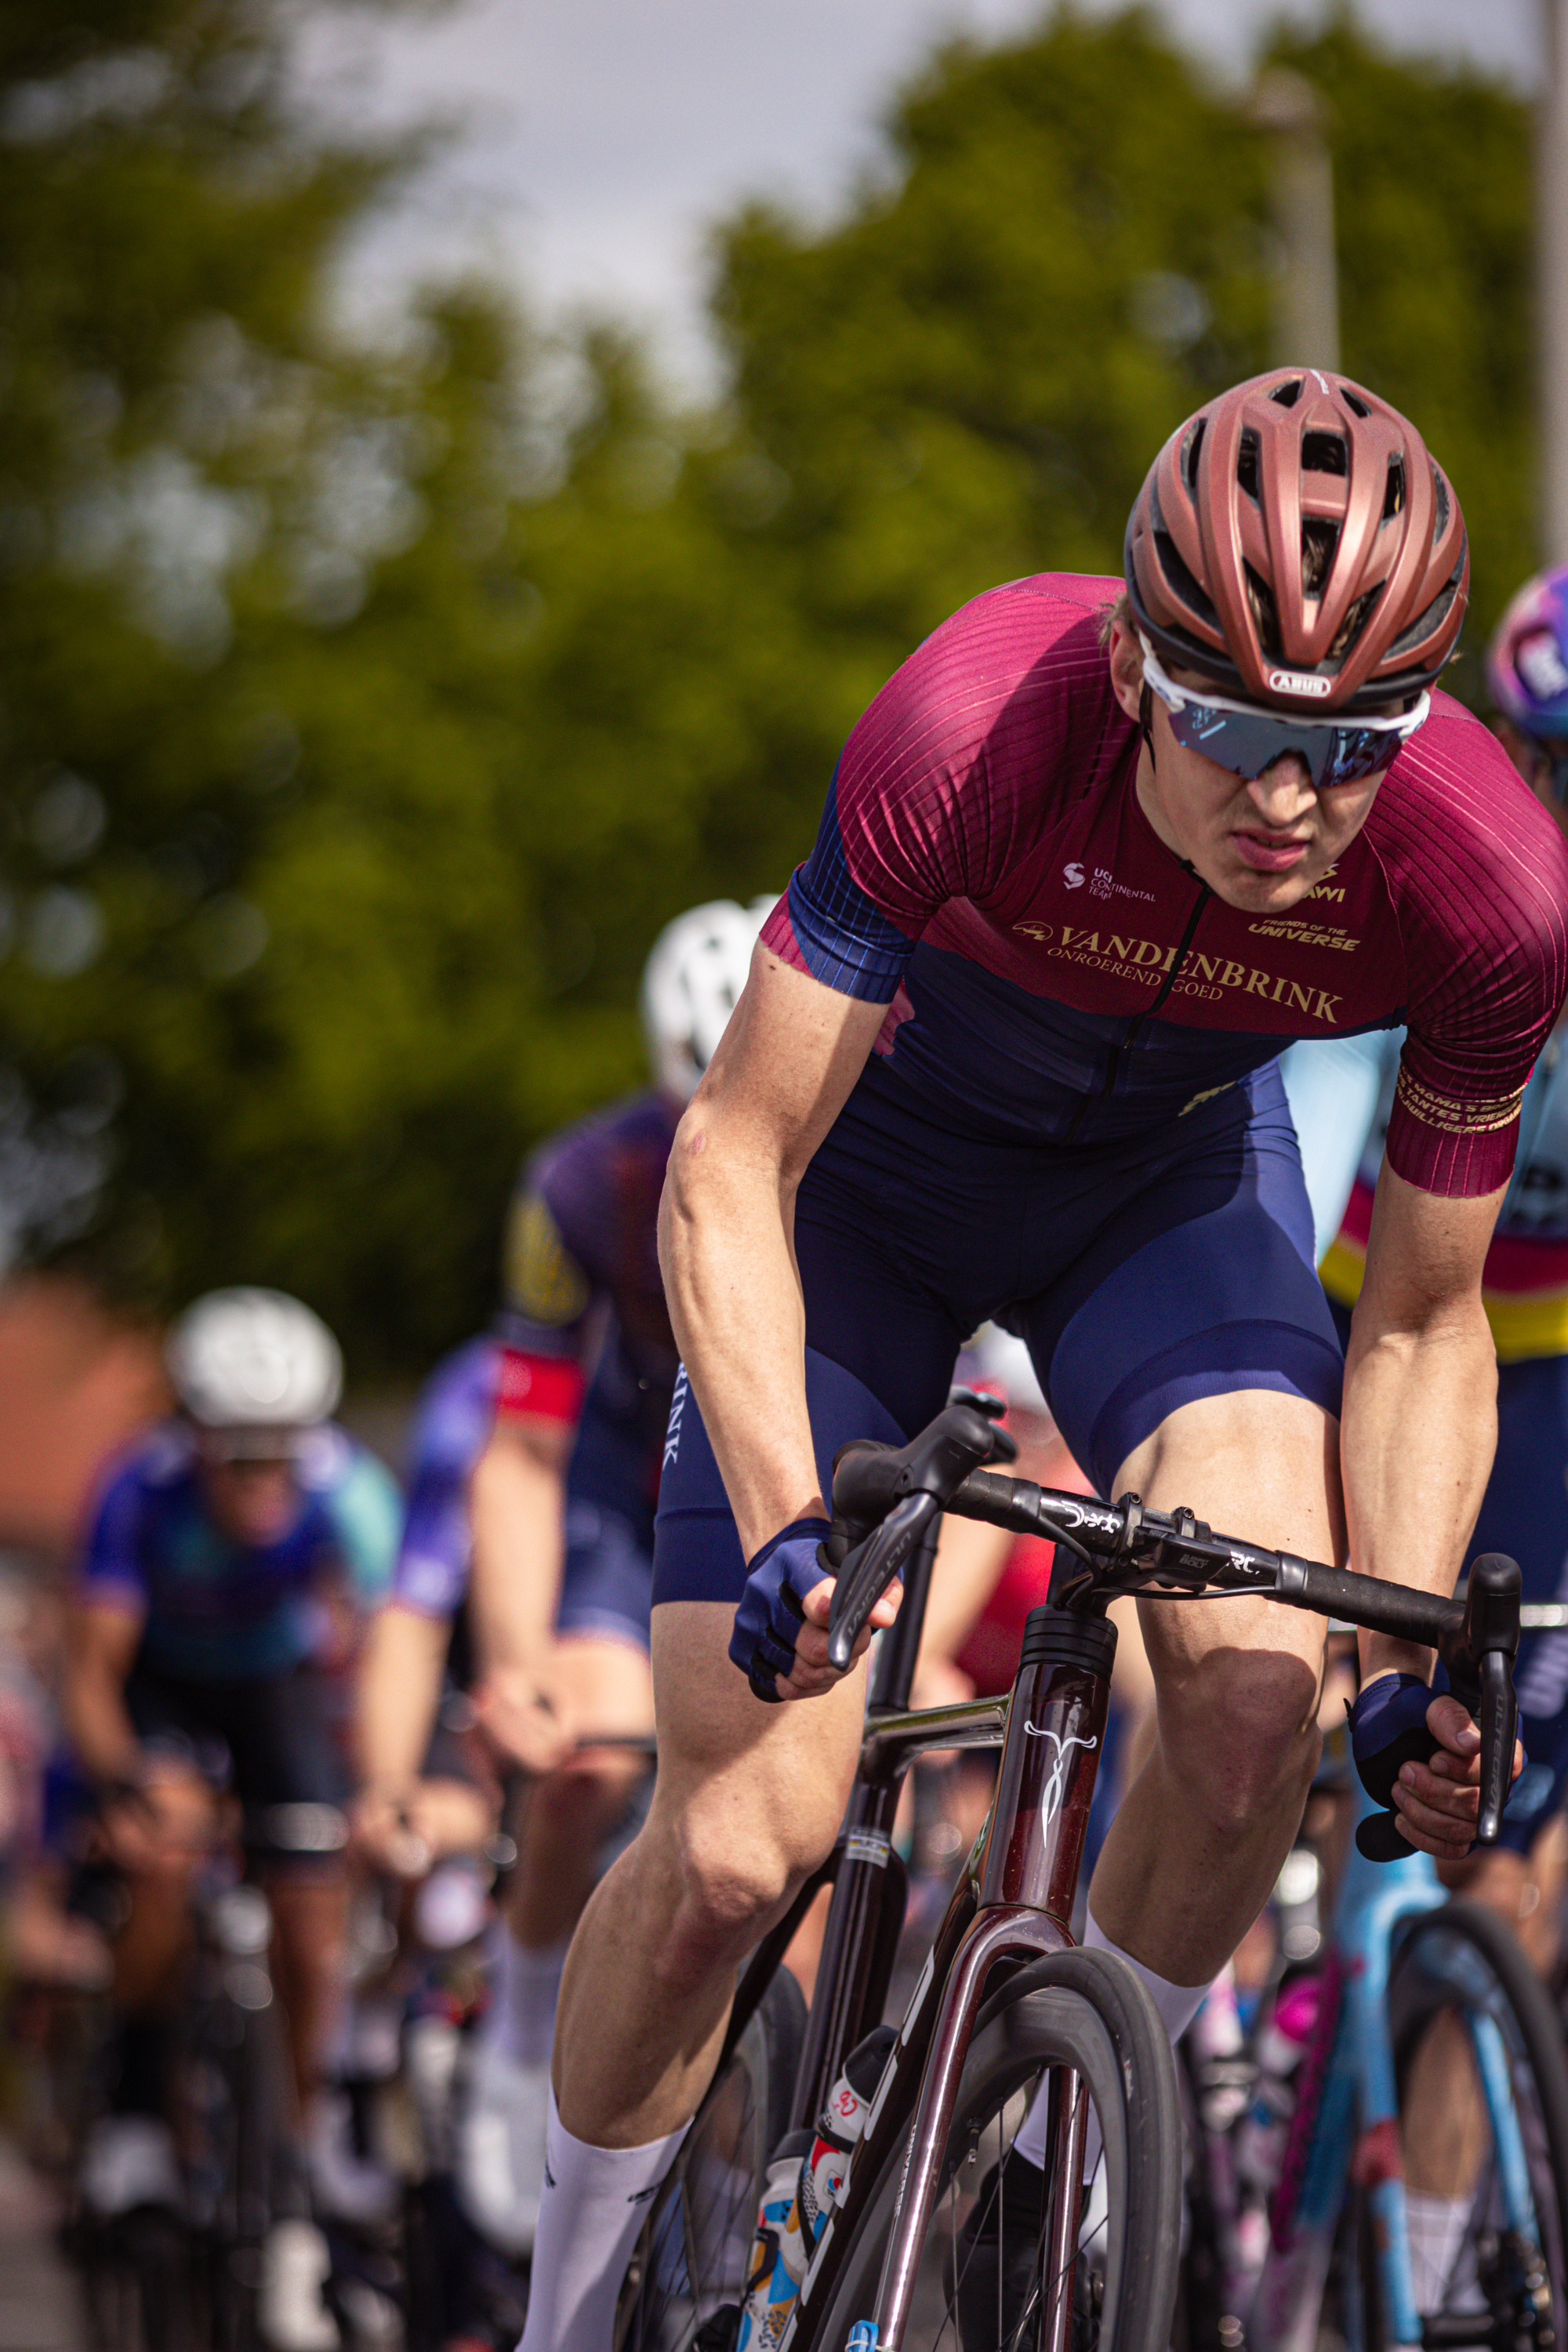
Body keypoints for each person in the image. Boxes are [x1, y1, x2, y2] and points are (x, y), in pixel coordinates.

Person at [517, 368, 1568, 2352]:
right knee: (748, 1843)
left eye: (1350, 749)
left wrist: (1406, 1657)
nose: (1288, 802)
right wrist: (774, 1525)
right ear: (1128, 663)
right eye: (1237, 730)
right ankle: (566, 2310)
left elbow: (1423, 1318)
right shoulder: (974, 720)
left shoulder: (1490, 891)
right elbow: (735, 1158)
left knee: (1255, 1705)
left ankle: (1028, 2179)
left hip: (1159, 1204)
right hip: (868, 1200)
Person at [354, 899, 772, 2259]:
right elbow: (519, 1453)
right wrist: (522, 1662)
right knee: (589, 1762)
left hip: (793, 1476)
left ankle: (750, 2132)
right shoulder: (580, 1184)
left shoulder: (906, 1149)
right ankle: (521, 2026)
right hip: (618, 1487)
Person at [1311, 561, 1568, 1973]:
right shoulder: (1468, 882)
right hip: (1366, 1316)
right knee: (1249, 1688)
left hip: (1546, 1385)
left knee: (1508, 1847)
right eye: (1553, 765)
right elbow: (1303, 1090)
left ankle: (1443, 2192)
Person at [64, 1287, 401, 2352]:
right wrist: (125, 1780)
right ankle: (133, 2105)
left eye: (281, 1452)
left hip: (273, 1689)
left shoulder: (349, 1490)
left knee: (311, 1902)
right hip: (159, 1683)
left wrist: (386, 1778)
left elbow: (399, 1636)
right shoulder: (138, 1491)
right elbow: (88, 1671)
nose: (262, 1476)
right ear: (196, 1438)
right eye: (237, 1452)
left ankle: (294, 2149)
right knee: (162, 1853)